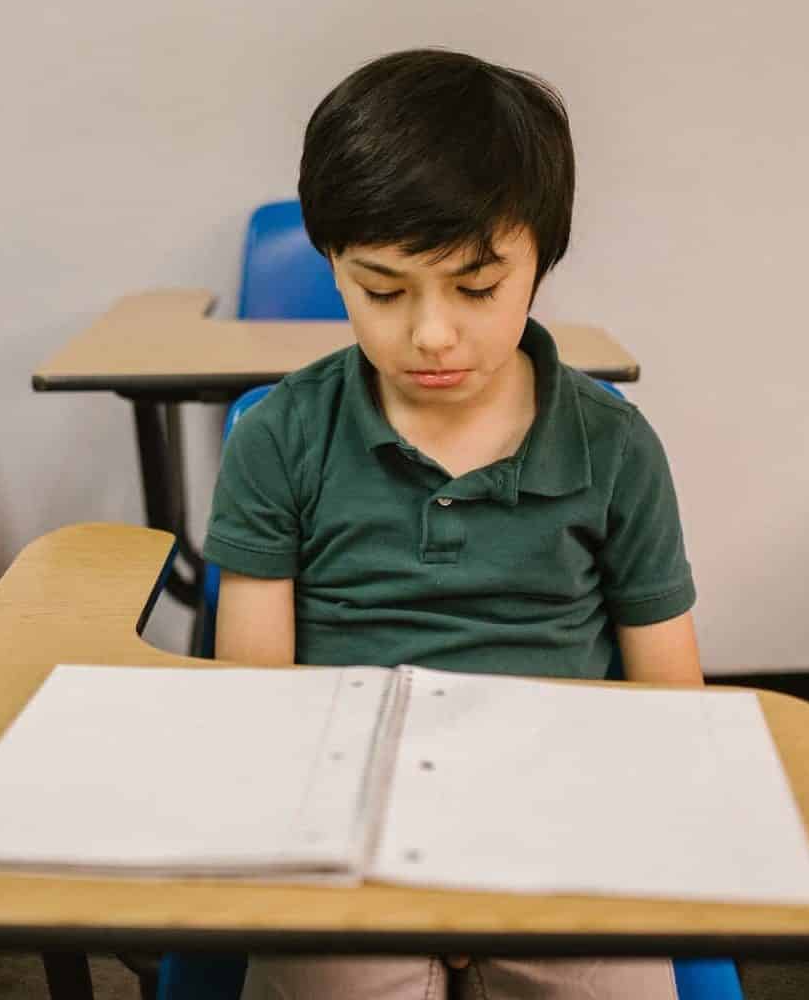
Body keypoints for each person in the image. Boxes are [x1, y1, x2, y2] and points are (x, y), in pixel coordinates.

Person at [205, 49, 701, 1000]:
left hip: (561, 820)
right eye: (382, 291)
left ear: (539, 264)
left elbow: (669, 707)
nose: (430, 333)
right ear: (332, 268)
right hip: (345, 825)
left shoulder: (613, 447)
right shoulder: (280, 436)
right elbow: (259, 707)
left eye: (475, 288)